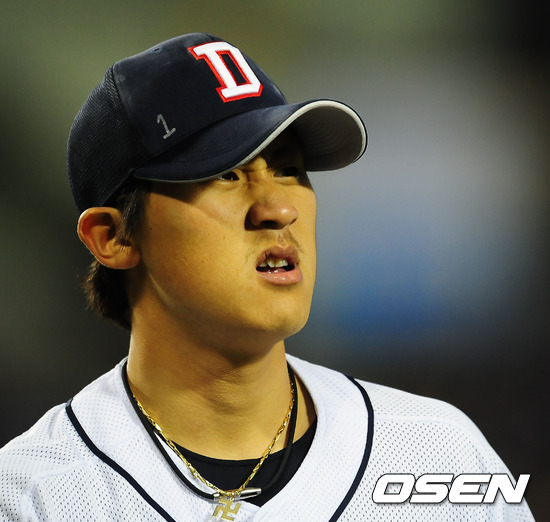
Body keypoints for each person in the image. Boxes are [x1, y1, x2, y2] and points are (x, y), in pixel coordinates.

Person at [0, 33, 533, 521]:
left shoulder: (438, 455)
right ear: (113, 237)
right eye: (225, 172)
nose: (279, 208)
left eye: (288, 170)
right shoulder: (33, 495)